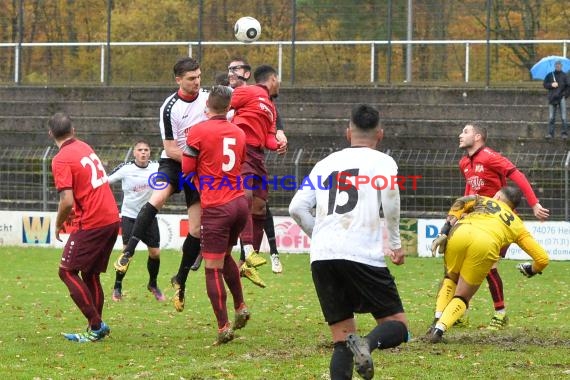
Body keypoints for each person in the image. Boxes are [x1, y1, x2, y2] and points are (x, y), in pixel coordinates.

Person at [289, 104, 409, 380]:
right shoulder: (383, 163)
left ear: (348, 132)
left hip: (322, 257)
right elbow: (391, 203)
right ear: (380, 134)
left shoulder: (325, 163)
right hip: (361, 254)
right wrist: (395, 243)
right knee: (398, 327)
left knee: (342, 338)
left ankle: (356, 344)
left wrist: (318, 236)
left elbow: (297, 208)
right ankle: (367, 343)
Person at [113, 57, 208, 313]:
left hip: (199, 167)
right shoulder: (170, 107)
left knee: (197, 229)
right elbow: (170, 148)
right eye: (191, 78)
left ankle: (181, 281)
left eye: (199, 76)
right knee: (157, 198)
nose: (197, 82)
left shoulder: (208, 99)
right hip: (175, 162)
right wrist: (198, 158)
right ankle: (128, 252)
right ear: (178, 80)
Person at [427, 186, 550, 343]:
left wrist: (444, 230)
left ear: (497, 196)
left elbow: (460, 202)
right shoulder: (518, 224)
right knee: (463, 295)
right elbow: (542, 258)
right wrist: (532, 269)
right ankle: (439, 330)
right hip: (486, 245)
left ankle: (437, 318)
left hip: (460, 232)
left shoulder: (482, 199)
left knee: (450, 278)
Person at [457, 122, 549, 330]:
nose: (460, 135)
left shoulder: (490, 156)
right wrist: (464, 209)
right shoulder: (464, 162)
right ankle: (462, 311)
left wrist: (534, 204)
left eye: (465, 131)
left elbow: (518, 176)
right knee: (465, 265)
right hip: (481, 221)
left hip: (502, 223)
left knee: (489, 267)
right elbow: (471, 187)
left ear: (478, 136)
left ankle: (500, 313)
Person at [181, 85, 250, 344]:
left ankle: (223, 327)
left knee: (212, 268)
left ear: (207, 106)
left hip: (217, 207)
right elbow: (239, 163)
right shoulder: (238, 132)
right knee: (225, 256)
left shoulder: (198, 131)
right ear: (229, 107)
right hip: (239, 203)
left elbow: (187, 170)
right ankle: (241, 305)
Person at [49, 112, 120, 343]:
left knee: (66, 271)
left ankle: (97, 325)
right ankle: (94, 328)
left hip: (93, 221)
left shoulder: (61, 158)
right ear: (74, 130)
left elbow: (67, 201)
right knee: (90, 274)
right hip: (111, 217)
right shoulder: (83, 146)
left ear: (50, 134)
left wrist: (59, 223)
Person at [228, 57, 288, 283]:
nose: (279, 84)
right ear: (272, 79)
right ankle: (248, 250)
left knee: (261, 207)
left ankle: (245, 264)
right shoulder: (250, 92)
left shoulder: (271, 107)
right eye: (278, 80)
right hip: (242, 151)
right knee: (245, 196)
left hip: (258, 156)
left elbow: (268, 138)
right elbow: (224, 107)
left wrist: (278, 144)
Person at [108, 140, 165, 302]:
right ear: (134, 153)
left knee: (155, 253)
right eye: (140, 150)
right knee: (127, 252)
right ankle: (117, 286)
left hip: (148, 217)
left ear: (150, 152)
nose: (143, 153)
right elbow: (106, 181)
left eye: (146, 150)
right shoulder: (126, 169)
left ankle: (153, 284)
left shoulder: (156, 167)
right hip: (130, 217)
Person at [543, 60, 569, 139]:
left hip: (561, 98)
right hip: (552, 98)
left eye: (559, 65)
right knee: (551, 117)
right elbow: (544, 84)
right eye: (557, 65)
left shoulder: (565, 76)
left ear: (561, 66)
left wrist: (564, 95)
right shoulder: (550, 75)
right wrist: (551, 84)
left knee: (564, 117)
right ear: (555, 66)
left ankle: (564, 134)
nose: (558, 66)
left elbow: (569, 86)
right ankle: (550, 134)